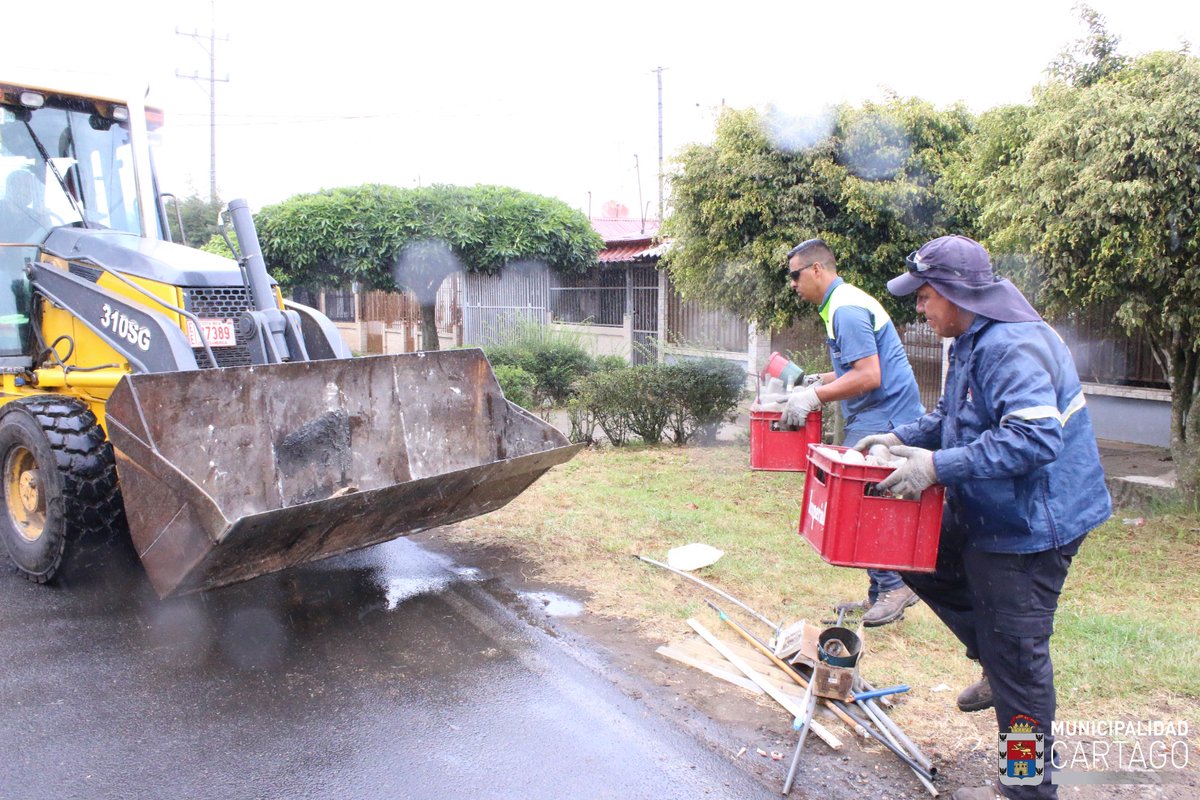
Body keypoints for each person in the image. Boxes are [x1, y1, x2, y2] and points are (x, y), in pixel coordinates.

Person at [855, 235, 1112, 800]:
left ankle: (1027, 786)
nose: (918, 308)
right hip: (992, 511)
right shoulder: (968, 338)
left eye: (923, 296)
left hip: (1031, 527)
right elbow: (953, 416)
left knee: (1021, 671)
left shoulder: (1011, 346)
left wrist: (937, 466)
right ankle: (997, 658)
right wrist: (901, 438)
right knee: (907, 555)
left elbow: (1034, 437)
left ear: (952, 291)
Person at [780, 238, 924, 626]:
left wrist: (815, 398)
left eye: (795, 276)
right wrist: (816, 381)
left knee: (868, 502)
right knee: (864, 501)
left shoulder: (846, 309)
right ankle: (879, 592)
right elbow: (853, 369)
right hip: (876, 414)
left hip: (887, 419)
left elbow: (869, 376)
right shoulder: (839, 306)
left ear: (816, 270)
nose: (792, 284)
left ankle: (895, 587)